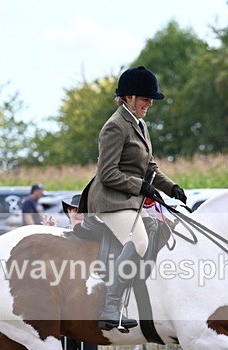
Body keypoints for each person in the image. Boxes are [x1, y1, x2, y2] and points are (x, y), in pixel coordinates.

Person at [81, 65, 186, 331]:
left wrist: (171, 187)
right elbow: (107, 174)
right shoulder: (115, 127)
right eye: (144, 98)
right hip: (109, 200)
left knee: (155, 229)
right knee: (139, 241)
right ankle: (110, 307)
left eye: (150, 99)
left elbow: (150, 166)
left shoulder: (139, 124)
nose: (149, 103)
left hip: (128, 199)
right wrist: (141, 187)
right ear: (127, 97)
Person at [61, 194, 102, 350]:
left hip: (87, 306)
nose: (79, 213)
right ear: (69, 212)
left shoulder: (94, 237)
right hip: (63, 306)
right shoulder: (59, 236)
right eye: (75, 209)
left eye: (82, 210)